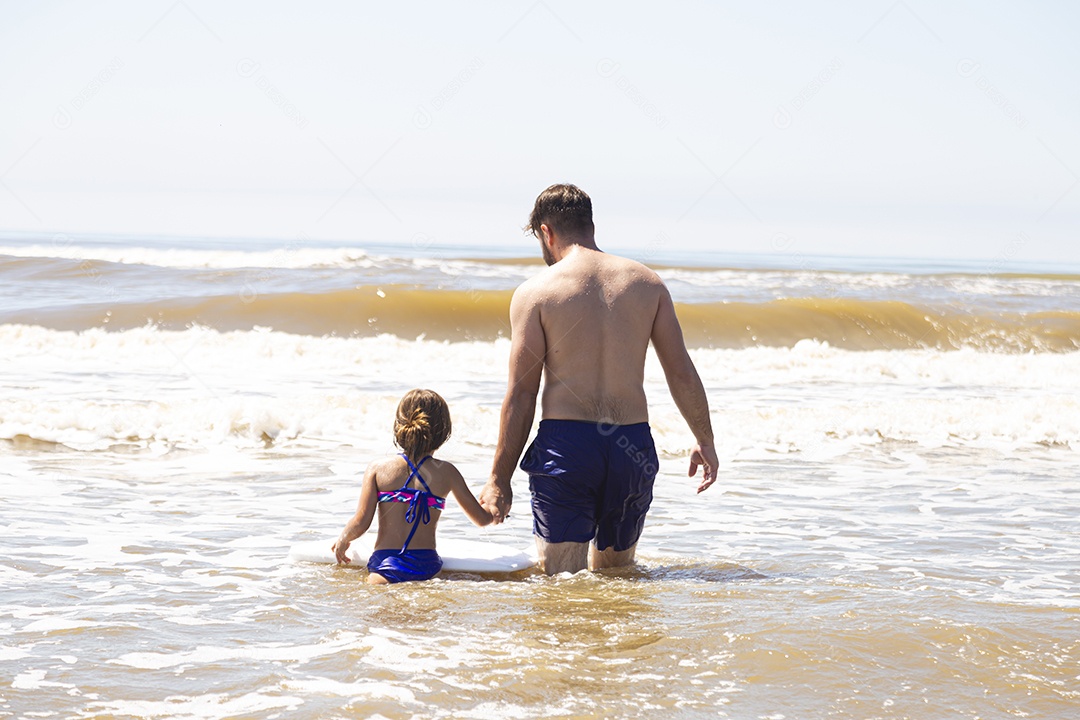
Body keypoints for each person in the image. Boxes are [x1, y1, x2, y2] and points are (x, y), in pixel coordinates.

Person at [478, 183, 718, 575]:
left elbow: (522, 393)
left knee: (564, 582)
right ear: (590, 225)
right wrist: (704, 439)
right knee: (617, 578)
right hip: (631, 447)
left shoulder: (536, 293)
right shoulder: (647, 283)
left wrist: (498, 480)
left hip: (569, 446)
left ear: (546, 232)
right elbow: (681, 371)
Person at [333, 388, 494, 584]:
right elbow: (481, 519)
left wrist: (343, 539)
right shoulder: (447, 472)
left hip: (387, 565)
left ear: (399, 426)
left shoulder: (378, 469)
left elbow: (361, 522)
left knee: (375, 606)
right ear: (444, 432)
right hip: (427, 565)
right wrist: (493, 507)